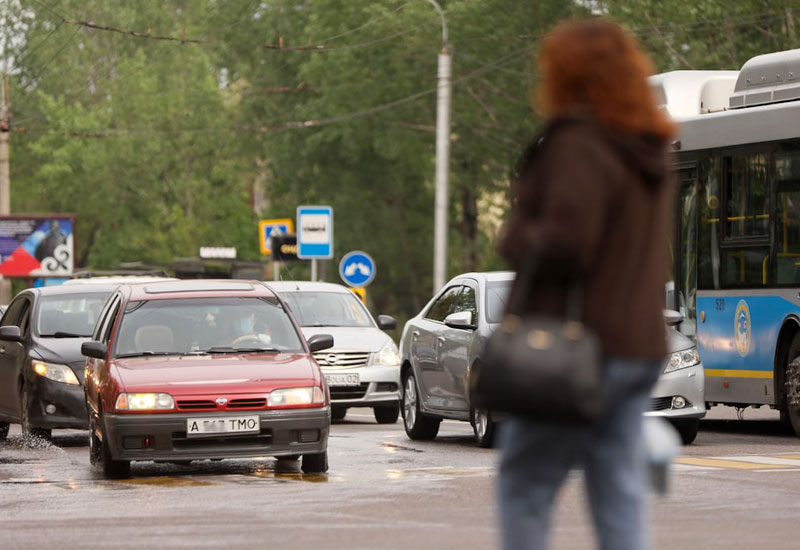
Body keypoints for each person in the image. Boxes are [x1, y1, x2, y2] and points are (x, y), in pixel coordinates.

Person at [495, 18, 676, 550]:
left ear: (565, 75)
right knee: (617, 487)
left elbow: (568, 241)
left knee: (525, 482)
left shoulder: (578, 143)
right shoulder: (649, 149)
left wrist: (515, 236)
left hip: (578, 348)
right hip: (637, 346)